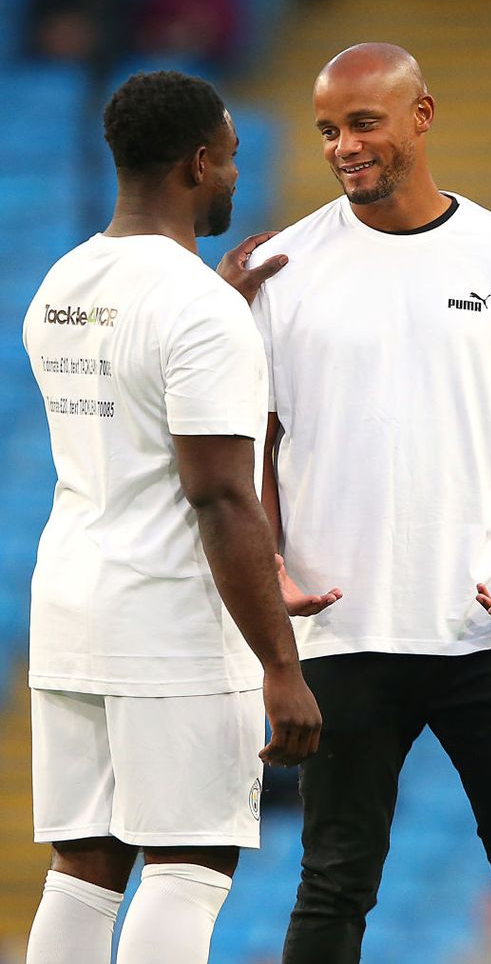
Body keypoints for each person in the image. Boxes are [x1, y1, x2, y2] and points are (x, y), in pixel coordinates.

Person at [249, 43, 491, 964]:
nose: (343, 146)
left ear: (422, 115)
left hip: (490, 629)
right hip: (340, 627)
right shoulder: (282, 267)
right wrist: (267, 560)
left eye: (363, 123)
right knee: (333, 882)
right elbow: (256, 448)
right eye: (327, 129)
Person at [22, 70, 339, 964]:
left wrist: (221, 309)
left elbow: (133, 396)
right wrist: (280, 664)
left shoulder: (63, 281)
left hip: (72, 610)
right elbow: (218, 495)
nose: (237, 175)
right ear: (198, 164)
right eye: (231, 158)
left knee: (83, 870)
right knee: (189, 864)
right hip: (168, 625)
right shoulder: (196, 308)